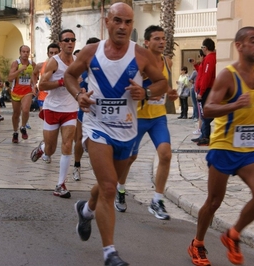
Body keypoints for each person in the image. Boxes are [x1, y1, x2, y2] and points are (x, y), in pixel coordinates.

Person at [65, 4, 168, 265]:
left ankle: (86, 209)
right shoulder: (91, 52)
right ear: (107, 21)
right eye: (118, 21)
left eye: (128, 22)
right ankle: (110, 252)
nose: (123, 26)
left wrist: (146, 92)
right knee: (110, 187)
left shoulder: (142, 54)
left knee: (106, 183)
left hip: (127, 131)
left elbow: (162, 83)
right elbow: (69, 75)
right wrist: (79, 95)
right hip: (97, 128)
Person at [187, 26, 254, 266]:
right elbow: (209, 110)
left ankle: (233, 235)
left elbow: (250, 107)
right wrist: (235, 105)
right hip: (224, 146)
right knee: (214, 202)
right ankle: (197, 244)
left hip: (248, 150)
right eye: (253, 41)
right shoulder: (227, 75)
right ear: (239, 46)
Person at [114, 25, 178, 218]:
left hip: (158, 117)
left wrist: (170, 93)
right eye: (157, 39)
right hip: (138, 117)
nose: (161, 42)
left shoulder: (167, 62)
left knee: (165, 155)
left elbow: (165, 86)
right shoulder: (139, 62)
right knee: (129, 158)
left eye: (163, 39)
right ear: (147, 42)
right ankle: (120, 189)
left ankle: (157, 200)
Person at [30, 29, 78, 199]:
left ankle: (60, 184)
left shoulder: (77, 61)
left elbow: (79, 81)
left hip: (71, 109)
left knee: (67, 145)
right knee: (51, 148)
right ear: (60, 43)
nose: (70, 43)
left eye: (73, 40)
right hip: (52, 108)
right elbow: (41, 85)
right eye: (66, 40)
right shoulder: (53, 62)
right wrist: (60, 82)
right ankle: (42, 148)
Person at [73, 37, 100, 181]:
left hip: (101, 110)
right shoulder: (81, 67)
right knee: (79, 139)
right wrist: (79, 92)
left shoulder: (104, 66)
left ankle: (100, 170)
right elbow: (70, 80)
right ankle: (77, 166)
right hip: (85, 109)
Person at [8, 45, 37, 143]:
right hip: (16, 91)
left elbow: (34, 76)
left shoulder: (32, 64)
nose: (25, 54)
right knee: (16, 113)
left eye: (27, 52)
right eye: (23, 51)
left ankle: (23, 127)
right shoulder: (16, 63)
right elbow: (10, 78)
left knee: (25, 110)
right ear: (20, 52)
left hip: (27, 91)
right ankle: (15, 132)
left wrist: (34, 85)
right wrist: (19, 70)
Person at [194, 38, 216, 146]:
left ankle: (205, 136)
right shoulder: (208, 59)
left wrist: (201, 92)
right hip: (205, 89)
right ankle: (203, 135)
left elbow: (206, 77)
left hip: (206, 90)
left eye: (202, 47)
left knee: (205, 114)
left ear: (205, 48)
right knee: (203, 114)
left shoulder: (209, 59)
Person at [32, 43, 60, 112]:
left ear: (59, 53)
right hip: (43, 96)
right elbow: (34, 74)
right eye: (51, 53)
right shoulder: (40, 66)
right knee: (45, 118)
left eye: (56, 53)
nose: (53, 55)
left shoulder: (63, 66)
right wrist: (34, 85)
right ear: (48, 54)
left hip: (57, 96)